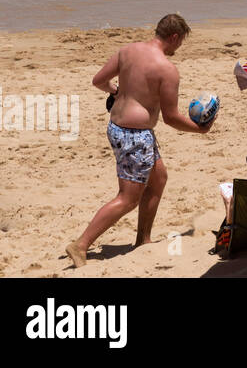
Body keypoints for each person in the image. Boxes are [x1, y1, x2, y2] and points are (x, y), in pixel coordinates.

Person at [66, 14, 213, 267]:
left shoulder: (128, 51)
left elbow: (98, 81)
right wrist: (200, 130)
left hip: (116, 127)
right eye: (179, 43)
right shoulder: (166, 69)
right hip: (136, 137)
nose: (178, 48)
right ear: (174, 37)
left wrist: (117, 91)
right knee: (128, 198)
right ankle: (81, 245)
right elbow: (171, 118)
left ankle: (143, 240)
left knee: (159, 179)